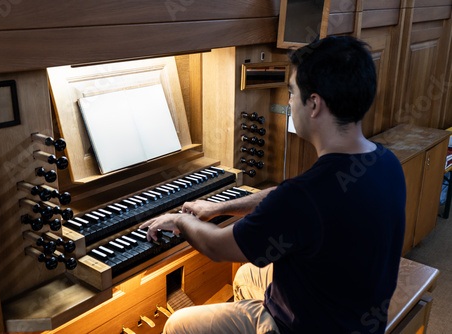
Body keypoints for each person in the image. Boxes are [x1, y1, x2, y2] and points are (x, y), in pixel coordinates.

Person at [140, 36, 406, 333]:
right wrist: (218, 208)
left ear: (314, 104)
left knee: (179, 325)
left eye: (292, 92)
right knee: (248, 275)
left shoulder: (305, 197)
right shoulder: (386, 162)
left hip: (308, 327)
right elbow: (287, 196)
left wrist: (178, 218)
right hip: (358, 314)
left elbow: (216, 246)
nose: (290, 101)